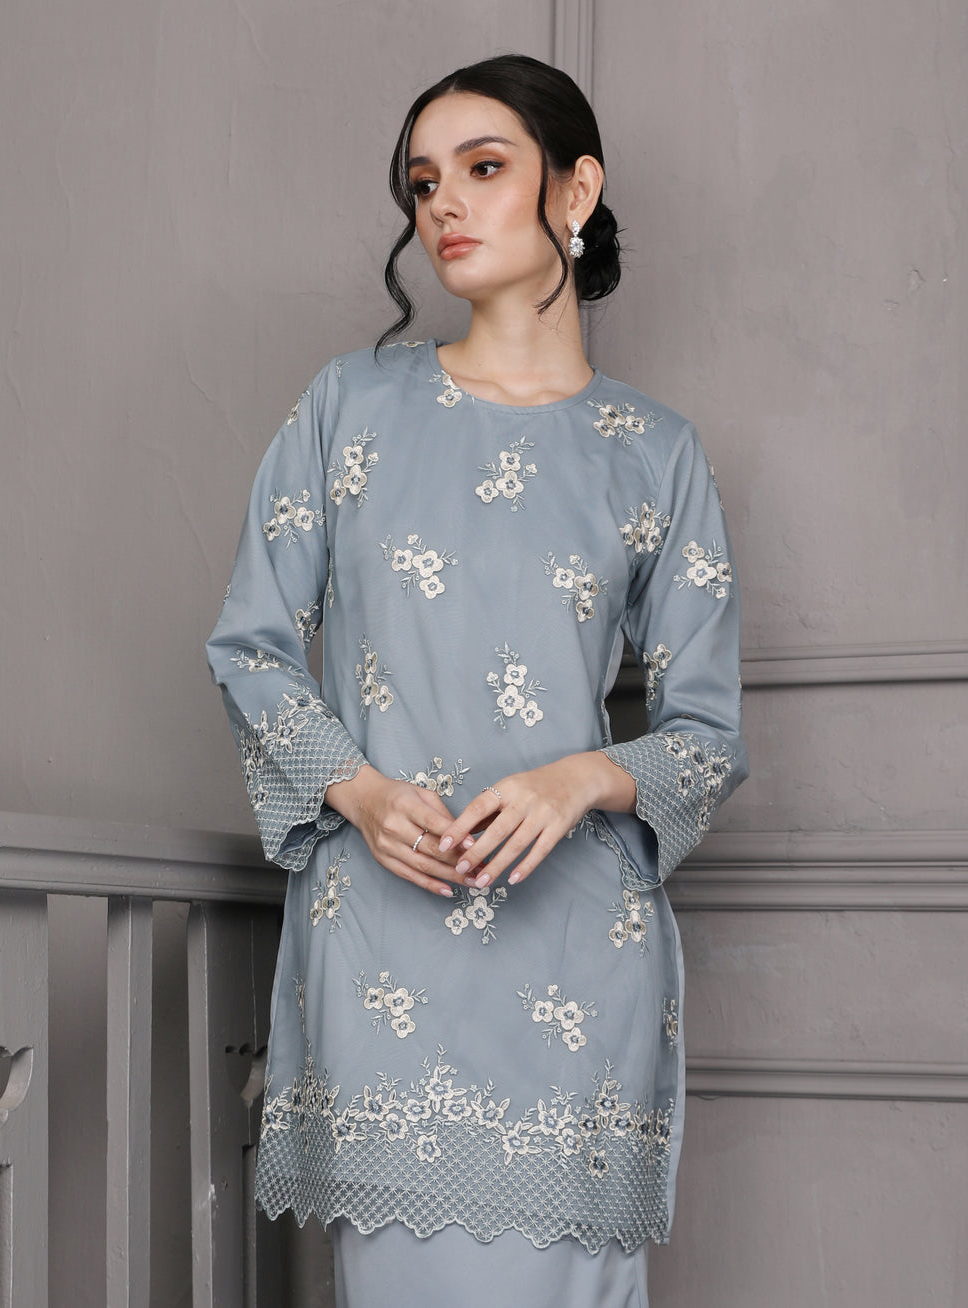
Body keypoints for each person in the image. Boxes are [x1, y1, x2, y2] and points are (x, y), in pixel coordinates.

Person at [206, 53, 747, 1308]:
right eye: (423, 182)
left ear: (576, 189)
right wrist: (356, 791)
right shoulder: (349, 407)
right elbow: (249, 647)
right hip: (385, 960)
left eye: (484, 167)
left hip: (576, 978)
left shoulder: (656, 454)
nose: (443, 203)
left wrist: (580, 778)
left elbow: (708, 737)